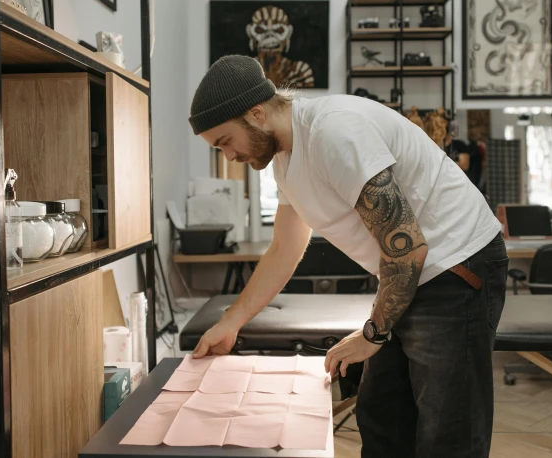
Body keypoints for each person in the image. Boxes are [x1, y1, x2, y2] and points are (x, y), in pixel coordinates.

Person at [188, 55, 508, 458]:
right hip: (408, 274)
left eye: (225, 142)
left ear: (257, 114)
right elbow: (284, 249)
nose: (228, 156)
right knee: (381, 415)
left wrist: (373, 333)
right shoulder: (285, 163)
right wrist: (230, 321)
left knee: (448, 433)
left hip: (457, 266)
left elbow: (407, 248)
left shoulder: (333, 132)